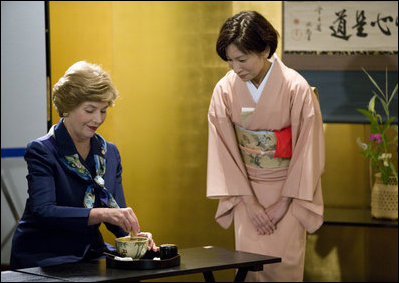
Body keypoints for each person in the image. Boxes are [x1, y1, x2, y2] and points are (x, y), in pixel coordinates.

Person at [206, 11, 325, 281]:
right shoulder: (224, 90)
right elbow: (223, 150)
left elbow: (309, 150)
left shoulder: (297, 88)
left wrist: (284, 203)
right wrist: (250, 203)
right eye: (230, 61)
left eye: (242, 59)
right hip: (245, 193)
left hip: (291, 193)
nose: (236, 68)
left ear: (266, 49)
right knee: (248, 270)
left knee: (284, 268)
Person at [10, 61, 158, 269]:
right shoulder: (42, 150)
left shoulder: (110, 152)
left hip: (89, 252)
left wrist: (135, 236)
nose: (98, 119)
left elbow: (116, 212)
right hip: (44, 254)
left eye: (103, 110)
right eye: (90, 110)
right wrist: (102, 213)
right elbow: (44, 212)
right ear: (68, 107)